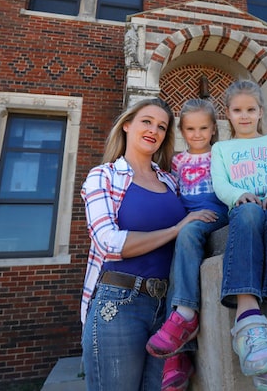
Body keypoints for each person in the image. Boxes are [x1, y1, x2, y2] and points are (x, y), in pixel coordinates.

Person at [80, 97, 216, 391]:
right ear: (127, 125)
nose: (154, 130)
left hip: (168, 310)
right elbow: (108, 243)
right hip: (119, 303)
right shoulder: (103, 176)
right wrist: (176, 228)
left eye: (162, 127)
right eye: (147, 122)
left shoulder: (172, 181)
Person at [210, 80, 267, 391]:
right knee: (248, 211)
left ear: (261, 111)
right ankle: (248, 322)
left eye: (251, 109)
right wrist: (240, 195)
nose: (245, 115)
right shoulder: (221, 149)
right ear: (228, 114)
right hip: (246, 210)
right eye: (238, 110)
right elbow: (221, 185)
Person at [145, 99, 229, 391]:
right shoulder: (177, 161)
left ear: (214, 129)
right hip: (188, 214)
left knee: (190, 233)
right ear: (181, 131)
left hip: (215, 211)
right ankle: (178, 357)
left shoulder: (221, 153)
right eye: (190, 129)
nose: (197, 134)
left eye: (203, 128)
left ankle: (185, 315)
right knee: (174, 260)